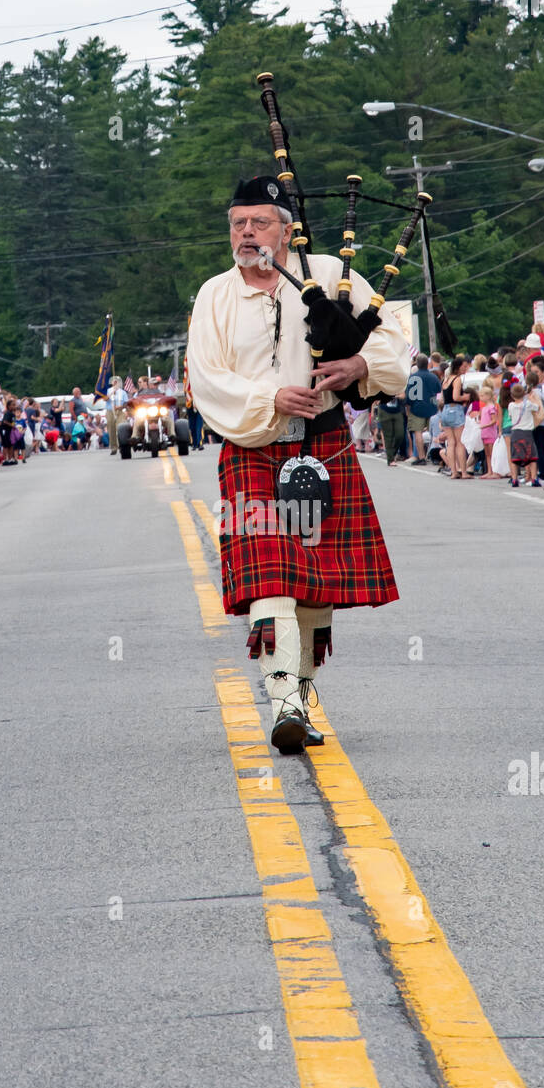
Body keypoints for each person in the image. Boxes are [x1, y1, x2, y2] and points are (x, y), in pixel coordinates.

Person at [186, 174, 409, 754]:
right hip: (255, 447)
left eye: (259, 222)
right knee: (271, 573)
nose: (247, 233)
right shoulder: (214, 295)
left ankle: (302, 692)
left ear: (287, 231)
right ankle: (285, 704)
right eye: (238, 223)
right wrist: (269, 398)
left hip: (324, 442)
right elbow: (206, 377)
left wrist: (358, 365)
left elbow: (393, 344)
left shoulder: (332, 276)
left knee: (314, 583)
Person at [405, 354, 441, 465]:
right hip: (431, 407)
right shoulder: (433, 377)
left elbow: (410, 395)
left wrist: (409, 407)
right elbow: (438, 391)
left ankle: (421, 457)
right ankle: (437, 455)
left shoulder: (413, 377)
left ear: (417, 364)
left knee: (418, 433)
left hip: (417, 408)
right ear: (427, 364)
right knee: (435, 432)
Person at [440, 356, 472, 478]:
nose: (465, 369)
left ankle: (453, 471)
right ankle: (463, 472)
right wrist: (466, 397)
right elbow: (456, 397)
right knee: (460, 442)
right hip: (455, 410)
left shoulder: (446, 380)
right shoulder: (457, 379)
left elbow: (443, 399)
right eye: (464, 367)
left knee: (451, 443)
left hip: (446, 411)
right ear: (458, 367)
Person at [507, 382, 543, 487]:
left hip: (515, 432)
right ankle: (534, 478)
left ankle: (514, 479)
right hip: (527, 433)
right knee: (532, 456)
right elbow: (538, 408)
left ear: (512, 395)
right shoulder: (528, 404)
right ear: (524, 394)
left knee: (515, 456)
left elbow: (510, 416)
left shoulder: (511, 405)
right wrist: (531, 398)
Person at [376, 387, 406, 466]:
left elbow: (403, 395)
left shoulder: (398, 382)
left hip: (397, 411)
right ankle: (390, 459)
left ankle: (392, 453)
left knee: (400, 434)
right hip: (384, 410)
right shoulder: (383, 382)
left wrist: (395, 396)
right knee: (388, 436)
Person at [105, 377, 129, 454]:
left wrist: (119, 407)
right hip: (110, 411)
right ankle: (113, 447)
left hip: (120, 412)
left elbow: (126, 404)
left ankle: (121, 446)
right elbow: (105, 399)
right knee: (111, 429)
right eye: (114, 382)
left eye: (116, 382)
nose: (115, 383)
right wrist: (112, 393)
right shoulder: (108, 391)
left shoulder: (123, 392)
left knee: (120, 428)